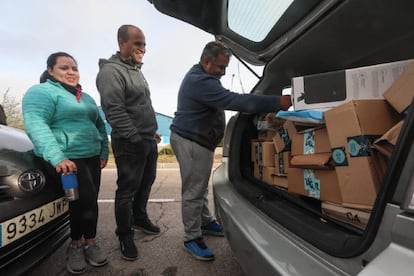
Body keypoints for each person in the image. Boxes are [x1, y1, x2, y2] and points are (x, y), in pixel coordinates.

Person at [170, 41, 292, 261]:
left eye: (226, 67)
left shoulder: (203, 76)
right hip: (191, 141)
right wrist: (277, 102)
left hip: (199, 141)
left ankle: (205, 222)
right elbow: (234, 100)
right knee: (193, 191)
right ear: (206, 61)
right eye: (220, 67)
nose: (224, 72)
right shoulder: (201, 81)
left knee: (199, 187)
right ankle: (191, 238)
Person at [22, 52, 109, 274]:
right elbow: (36, 125)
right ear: (50, 70)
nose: (71, 72)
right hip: (66, 160)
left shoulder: (86, 97)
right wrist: (58, 157)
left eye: (74, 68)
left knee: (90, 201)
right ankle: (76, 245)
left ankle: (90, 242)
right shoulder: (42, 92)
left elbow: (100, 125)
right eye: (64, 68)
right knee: (80, 203)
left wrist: (103, 150)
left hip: (90, 158)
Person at [96, 24, 160, 261]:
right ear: (121, 43)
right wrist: (135, 137)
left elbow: (141, 106)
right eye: (137, 43)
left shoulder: (136, 70)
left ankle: (140, 218)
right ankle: (124, 234)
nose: (142, 48)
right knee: (127, 191)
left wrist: (150, 133)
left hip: (146, 139)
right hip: (129, 142)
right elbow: (114, 110)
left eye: (144, 43)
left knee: (146, 184)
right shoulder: (111, 72)